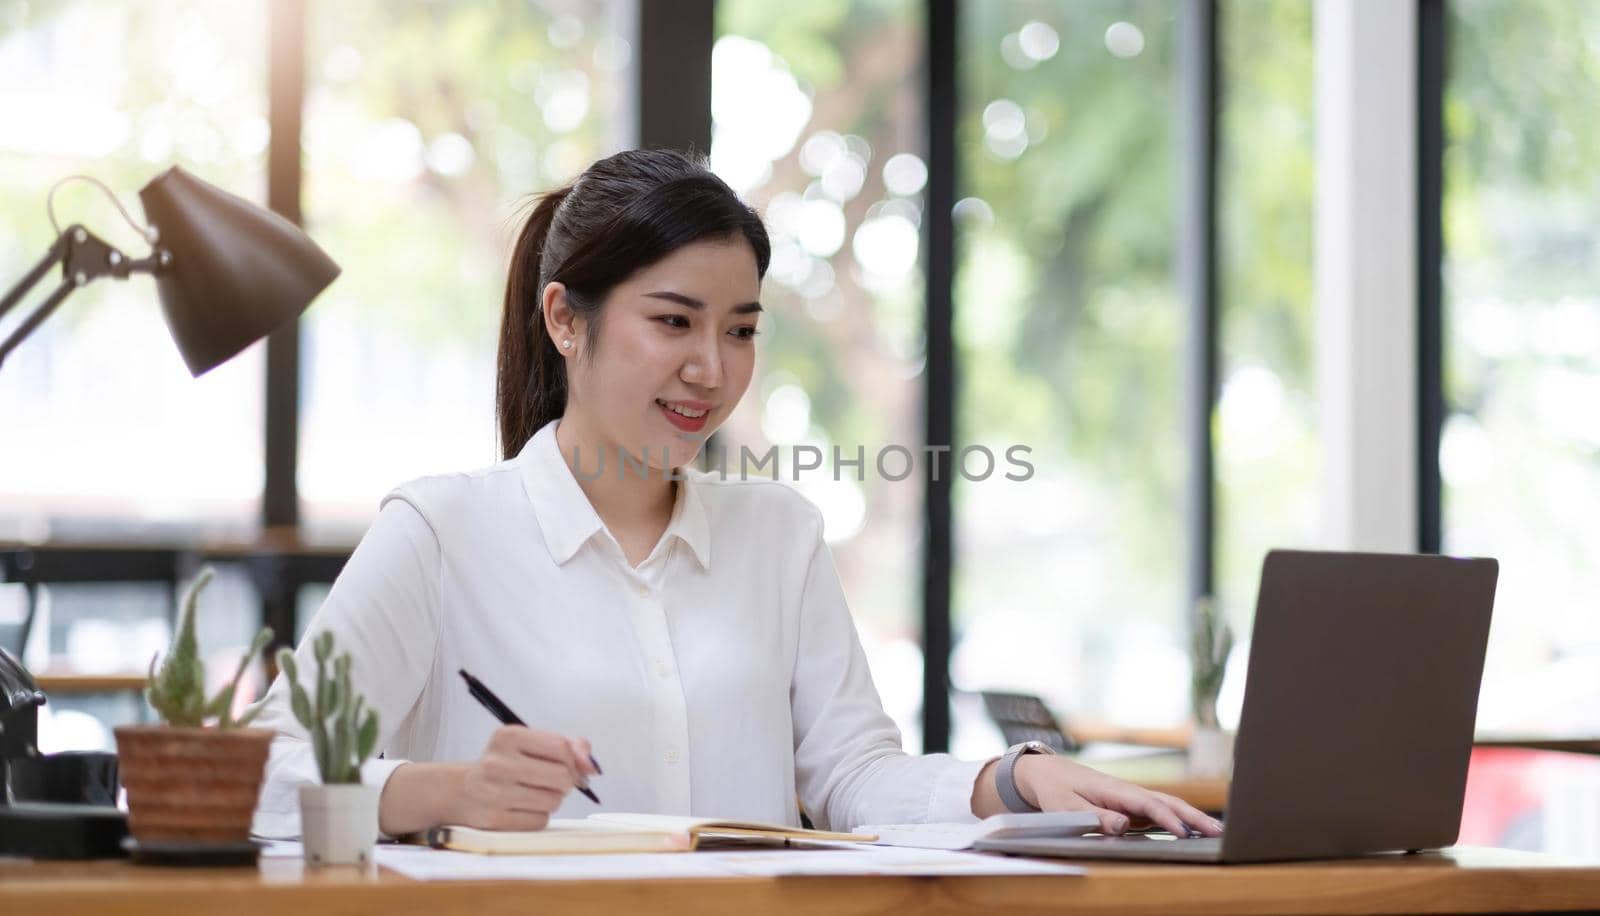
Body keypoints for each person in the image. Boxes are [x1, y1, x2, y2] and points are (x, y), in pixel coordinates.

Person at [250, 148, 1221, 841]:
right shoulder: (440, 530)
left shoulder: (779, 534)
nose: (710, 370)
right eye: (673, 321)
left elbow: (851, 777)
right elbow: (261, 774)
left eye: (742, 330)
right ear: (565, 319)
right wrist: (443, 789)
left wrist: (1012, 778)